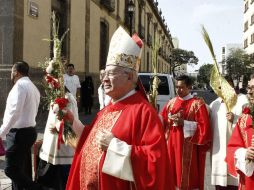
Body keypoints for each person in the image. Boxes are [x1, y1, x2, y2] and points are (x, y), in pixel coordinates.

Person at [63, 26, 174, 190]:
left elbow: (155, 161)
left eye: (111, 74)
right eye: (104, 74)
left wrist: (115, 146)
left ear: (130, 76)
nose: (105, 80)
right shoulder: (108, 108)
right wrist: (71, 121)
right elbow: (90, 139)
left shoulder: (144, 112)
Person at [160, 74, 212, 190]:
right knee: (171, 176)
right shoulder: (171, 102)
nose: (178, 90)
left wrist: (184, 123)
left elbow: (204, 128)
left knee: (186, 178)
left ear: (189, 87)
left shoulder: (197, 104)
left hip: (188, 148)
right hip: (171, 146)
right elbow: (161, 121)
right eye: (177, 87)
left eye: (181, 87)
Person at [0, 61, 41, 190]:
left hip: (19, 134)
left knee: (10, 169)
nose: (11, 75)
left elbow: (14, 113)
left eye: (12, 72)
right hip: (29, 131)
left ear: (16, 72)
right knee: (20, 168)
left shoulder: (20, 87)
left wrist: (1, 133)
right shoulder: (33, 87)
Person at [210, 76, 248, 190]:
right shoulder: (214, 104)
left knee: (236, 184)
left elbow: (249, 122)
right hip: (218, 154)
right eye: (221, 86)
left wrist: (235, 119)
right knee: (220, 185)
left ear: (232, 85)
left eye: (227, 85)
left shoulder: (243, 100)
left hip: (236, 152)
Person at [36, 87, 79, 190]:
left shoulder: (67, 98)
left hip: (63, 144)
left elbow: (71, 119)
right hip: (52, 142)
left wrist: (60, 130)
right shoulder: (56, 96)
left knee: (62, 177)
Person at [226, 74, 254, 190]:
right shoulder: (244, 118)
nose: (250, 92)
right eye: (249, 88)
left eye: (253, 88)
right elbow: (232, 148)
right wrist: (244, 153)